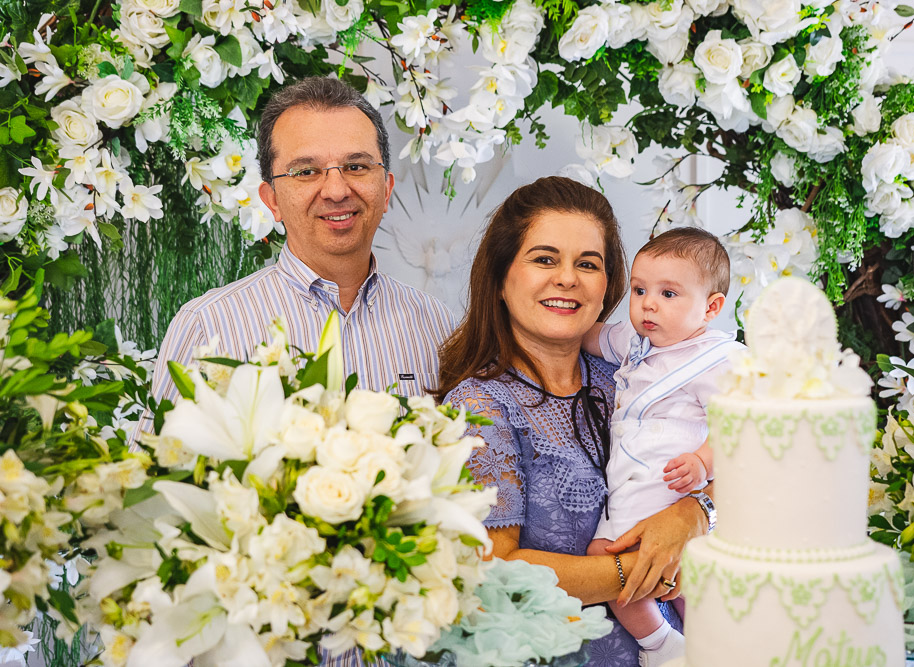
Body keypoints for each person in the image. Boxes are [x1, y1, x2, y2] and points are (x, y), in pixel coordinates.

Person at [143, 76, 454, 666]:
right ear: (269, 196)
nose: (336, 189)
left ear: (386, 186)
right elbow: (158, 504)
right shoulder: (210, 326)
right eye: (306, 171)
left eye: (357, 167)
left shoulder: (436, 327)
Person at [436, 177, 714, 667]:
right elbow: (494, 570)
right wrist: (640, 568)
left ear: (609, 286)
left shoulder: (630, 377)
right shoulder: (480, 405)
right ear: (500, 278)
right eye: (545, 259)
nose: (567, 279)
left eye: (587, 264)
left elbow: (744, 460)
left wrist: (692, 514)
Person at [582, 227, 744, 666]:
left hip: (674, 484)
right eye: (639, 290)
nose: (648, 304)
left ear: (711, 307)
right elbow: (585, 334)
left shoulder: (719, 359)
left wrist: (704, 461)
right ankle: (669, 644)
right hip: (632, 481)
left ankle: (683, 645)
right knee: (614, 562)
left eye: (668, 293)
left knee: (656, 568)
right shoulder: (633, 343)